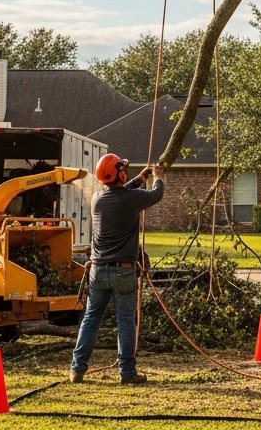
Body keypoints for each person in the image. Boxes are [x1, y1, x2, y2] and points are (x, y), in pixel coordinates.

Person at [68, 153, 165, 385]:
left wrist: (140, 179)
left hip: (98, 271)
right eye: (124, 170)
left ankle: (77, 369)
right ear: (120, 174)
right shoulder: (131, 200)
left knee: (91, 319)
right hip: (123, 271)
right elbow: (156, 195)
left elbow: (122, 192)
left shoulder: (97, 199)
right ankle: (127, 372)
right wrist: (159, 177)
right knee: (125, 321)